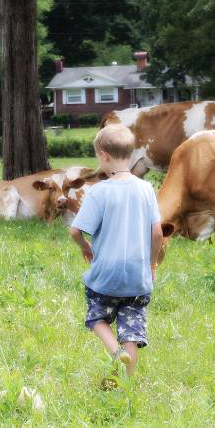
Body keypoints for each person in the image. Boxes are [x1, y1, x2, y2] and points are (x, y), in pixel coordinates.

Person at [69, 123, 164, 380]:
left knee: (97, 317)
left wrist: (85, 248)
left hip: (105, 277)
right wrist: (152, 264)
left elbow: (76, 231)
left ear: (104, 155)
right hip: (137, 277)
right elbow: (157, 234)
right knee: (131, 332)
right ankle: (127, 384)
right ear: (131, 154)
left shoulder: (98, 192)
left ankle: (114, 351)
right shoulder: (146, 190)